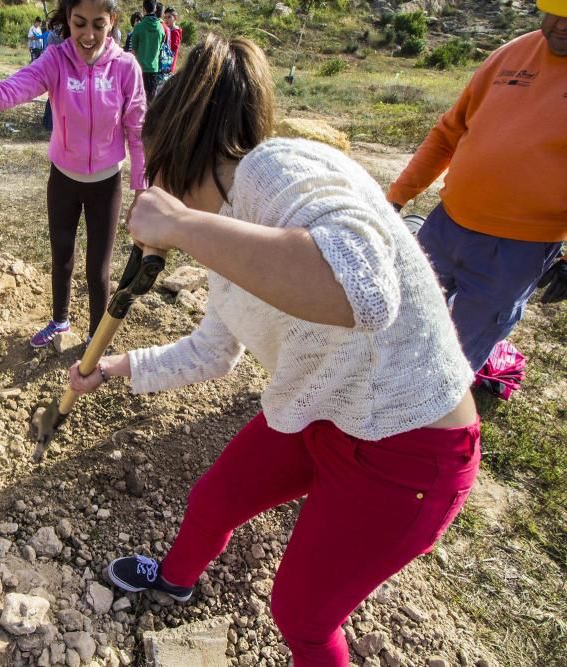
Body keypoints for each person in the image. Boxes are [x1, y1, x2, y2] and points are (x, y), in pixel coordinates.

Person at [67, 33, 481, 667]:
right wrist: (121, 367)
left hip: (407, 447)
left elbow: (363, 291)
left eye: (156, 175)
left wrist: (180, 226)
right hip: (320, 409)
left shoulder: (279, 169)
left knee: (301, 615)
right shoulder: (228, 231)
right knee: (214, 500)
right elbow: (214, 351)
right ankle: (176, 581)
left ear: (180, 160)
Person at [0, 0, 148, 348]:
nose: (88, 35)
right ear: (68, 20)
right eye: (79, 24)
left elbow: (137, 132)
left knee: (98, 267)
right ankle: (60, 322)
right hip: (63, 180)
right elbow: (3, 95)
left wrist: (142, 191)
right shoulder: (56, 60)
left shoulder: (126, 68)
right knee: (61, 255)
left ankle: (95, 337)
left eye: (98, 25)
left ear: (112, 21)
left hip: (106, 183)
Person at [388, 2, 567, 374]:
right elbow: (448, 133)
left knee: (456, 355)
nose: (560, 25)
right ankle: (377, 390)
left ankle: (424, 420)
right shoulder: (513, 53)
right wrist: (396, 197)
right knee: (399, 317)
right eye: (554, 12)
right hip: (445, 225)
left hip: (517, 249)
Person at [129, 0, 165, 98]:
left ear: (143, 9)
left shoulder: (138, 28)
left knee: (138, 100)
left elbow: (133, 52)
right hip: (154, 69)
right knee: (150, 100)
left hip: (139, 69)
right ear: (155, 9)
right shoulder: (161, 28)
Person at [163, 6, 181, 71]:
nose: (166, 19)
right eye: (165, 17)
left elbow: (171, 51)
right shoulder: (168, 30)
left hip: (168, 66)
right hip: (165, 64)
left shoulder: (175, 32)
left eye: (169, 17)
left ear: (175, 18)